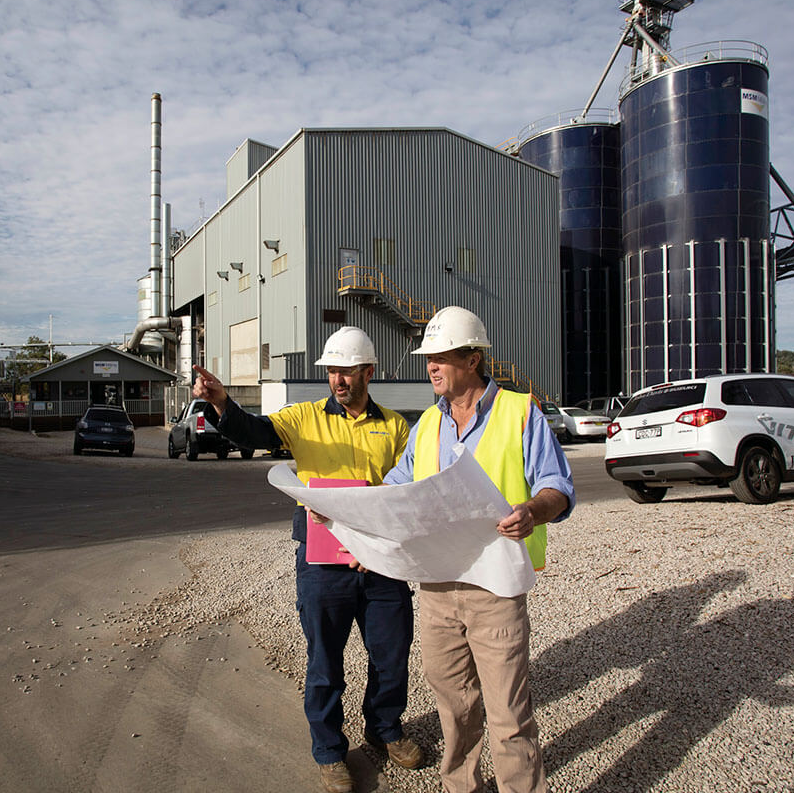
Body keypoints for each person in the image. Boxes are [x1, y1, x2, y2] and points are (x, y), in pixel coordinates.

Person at [192, 326, 424, 793]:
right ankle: (330, 752)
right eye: (332, 371)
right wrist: (221, 404)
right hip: (322, 561)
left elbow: (408, 494)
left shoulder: (397, 426)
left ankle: (384, 729)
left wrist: (385, 542)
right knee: (324, 660)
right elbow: (255, 432)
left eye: (347, 371)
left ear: (368, 372)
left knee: (391, 653)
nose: (338, 379)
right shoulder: (302, 418)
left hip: (379, 559)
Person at [383, 306, 575, 793]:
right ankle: (461, 786)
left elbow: (558, 487)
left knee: (508, 713)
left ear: (472, 358)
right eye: (428, 357)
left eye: (441, 356)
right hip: (437, 588)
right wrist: (344, 511)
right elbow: (394, 490)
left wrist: (532, 510)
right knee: (454, 709)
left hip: (495, 589)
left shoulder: (519, 412)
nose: (430, 366)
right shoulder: (427, 423)